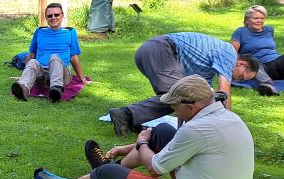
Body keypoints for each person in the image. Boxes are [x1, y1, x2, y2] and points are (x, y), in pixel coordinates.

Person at [34, 76, 254, 179]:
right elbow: (177, 144)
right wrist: (126, 148)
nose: (173, 111)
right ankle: (112, 175)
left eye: (175, 107)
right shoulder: (228, 117)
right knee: (162, 131)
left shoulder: (196, 129)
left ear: (191, 106)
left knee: (108, 173)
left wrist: (141, 143)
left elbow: (155, 168)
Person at [107, 32, 259, 135]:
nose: (237, 81)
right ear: (242, 64)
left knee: (186, 98)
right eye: (241, 77)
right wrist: (229, 125)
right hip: (160, 50)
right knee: (179, 98)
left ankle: (132, 118)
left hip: (150, 51)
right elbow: (224, 91)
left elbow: (200, 98)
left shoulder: (208, 69)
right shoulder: (229, 53)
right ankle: (125, 115)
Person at [11, 2, 85, 103]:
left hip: (62, 75)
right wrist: (25, 74)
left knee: (54, 58)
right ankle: (23, 88)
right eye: (50, 16)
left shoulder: (70, 32)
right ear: (46, 17)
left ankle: (56, 89)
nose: (53, 18)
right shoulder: (39, 31)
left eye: (56, 15)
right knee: (33, 62)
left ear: (62, 16)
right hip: (43, 75)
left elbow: (73, 57)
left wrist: (82, 78)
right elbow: (32, 54)